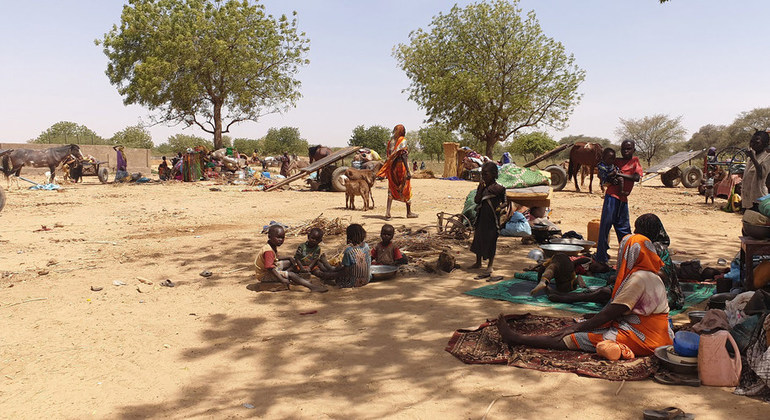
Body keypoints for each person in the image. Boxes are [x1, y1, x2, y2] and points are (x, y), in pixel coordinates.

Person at [497, 232, 673, 357]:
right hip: (657, 334)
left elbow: (611, 312)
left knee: (575, 337)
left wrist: (575, 328)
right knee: (590, 323)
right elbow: (619, 311)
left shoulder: (638, 279)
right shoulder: (652, 276)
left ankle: (517, 338)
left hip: (644, 338)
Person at [595, 140, 642, 264]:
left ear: (633, 150)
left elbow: (636, 177)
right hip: (612, 196)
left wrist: (620, 175)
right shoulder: (615, 160)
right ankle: (601, 257)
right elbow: (603, 171)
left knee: (624, 230)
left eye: (628, 149)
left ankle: (627, 259)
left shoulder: (635, 162)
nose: (625, 151)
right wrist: (611, 178)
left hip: (623, 200)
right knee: (605, 227)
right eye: (623, 149)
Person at [254, 225, 328, 293]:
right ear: (269, 236)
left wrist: (289, 257)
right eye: (278, 237)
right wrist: (281, 279)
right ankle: (311, 287)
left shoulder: (271, 245)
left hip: (269, 269)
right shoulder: (268, 251)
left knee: (290, 262)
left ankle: (290, 276)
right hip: (264, 274)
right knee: (291, 274)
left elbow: (276, 258)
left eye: (282, 237)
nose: (281, 240)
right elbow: (270, 268)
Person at [469, 161, 506, 273]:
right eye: (482, 174)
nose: (483, 177)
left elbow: (505, 202)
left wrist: (499, 208)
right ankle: (478, 262)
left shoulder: (499, 188)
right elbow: (476, 200)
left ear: (494, 174)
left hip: (492, 219)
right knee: (479, 239)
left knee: (491, 241)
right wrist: (480, 190)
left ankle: (490, 265)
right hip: (481, 218)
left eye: (486, 174)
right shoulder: (482, 187)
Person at [377, 124, 417, 219]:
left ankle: (388, 213)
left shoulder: (390, 142)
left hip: (392, 168)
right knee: (406, 188)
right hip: (400, 167)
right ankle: (409, 212)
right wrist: (407, 170)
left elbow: (389, 156)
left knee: (392, 188)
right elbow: (403, 155)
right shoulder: (402, 141)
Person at [315, 224, 372, 288]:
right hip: (367, 279)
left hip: (353, 282)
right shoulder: (366, 246)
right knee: (339, 268)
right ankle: (328, 268)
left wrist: (331, 275)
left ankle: (327, 269)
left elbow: (345, 271)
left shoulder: (349, 251)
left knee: (336, 276)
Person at [741, 130, 770, 212]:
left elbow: (761, 175)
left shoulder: (767, 157)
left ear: (765, 144)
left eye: (757, 142)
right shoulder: (750, 158)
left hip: (760, 200)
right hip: (748, 200)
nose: (753, 145)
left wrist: (753, 158)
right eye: (751, 142)